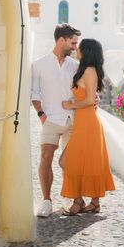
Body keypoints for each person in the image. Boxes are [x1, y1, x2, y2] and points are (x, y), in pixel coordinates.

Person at [59, 39, 115, 216]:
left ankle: (80, 202)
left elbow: (90, 99)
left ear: (87, 51)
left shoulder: (89, 71)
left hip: (88, 123)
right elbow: (91, 98)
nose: (77, 49)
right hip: (83, 122)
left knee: (67, 161)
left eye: (80, 46)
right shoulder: (85, 70)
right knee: (85, 161)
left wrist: (70, 106)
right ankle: (92, 203)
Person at [31, 24, 81, 217]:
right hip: (50, 119)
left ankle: (71, 197)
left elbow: (82, 91)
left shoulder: (75, 66)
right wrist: (42, 115)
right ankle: (46, 201)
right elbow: (34, 94)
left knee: (70, 162)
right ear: (61, 40)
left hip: (72, 121)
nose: (75, 47)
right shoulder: (39, 64)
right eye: (73, 42)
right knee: (45, 158)